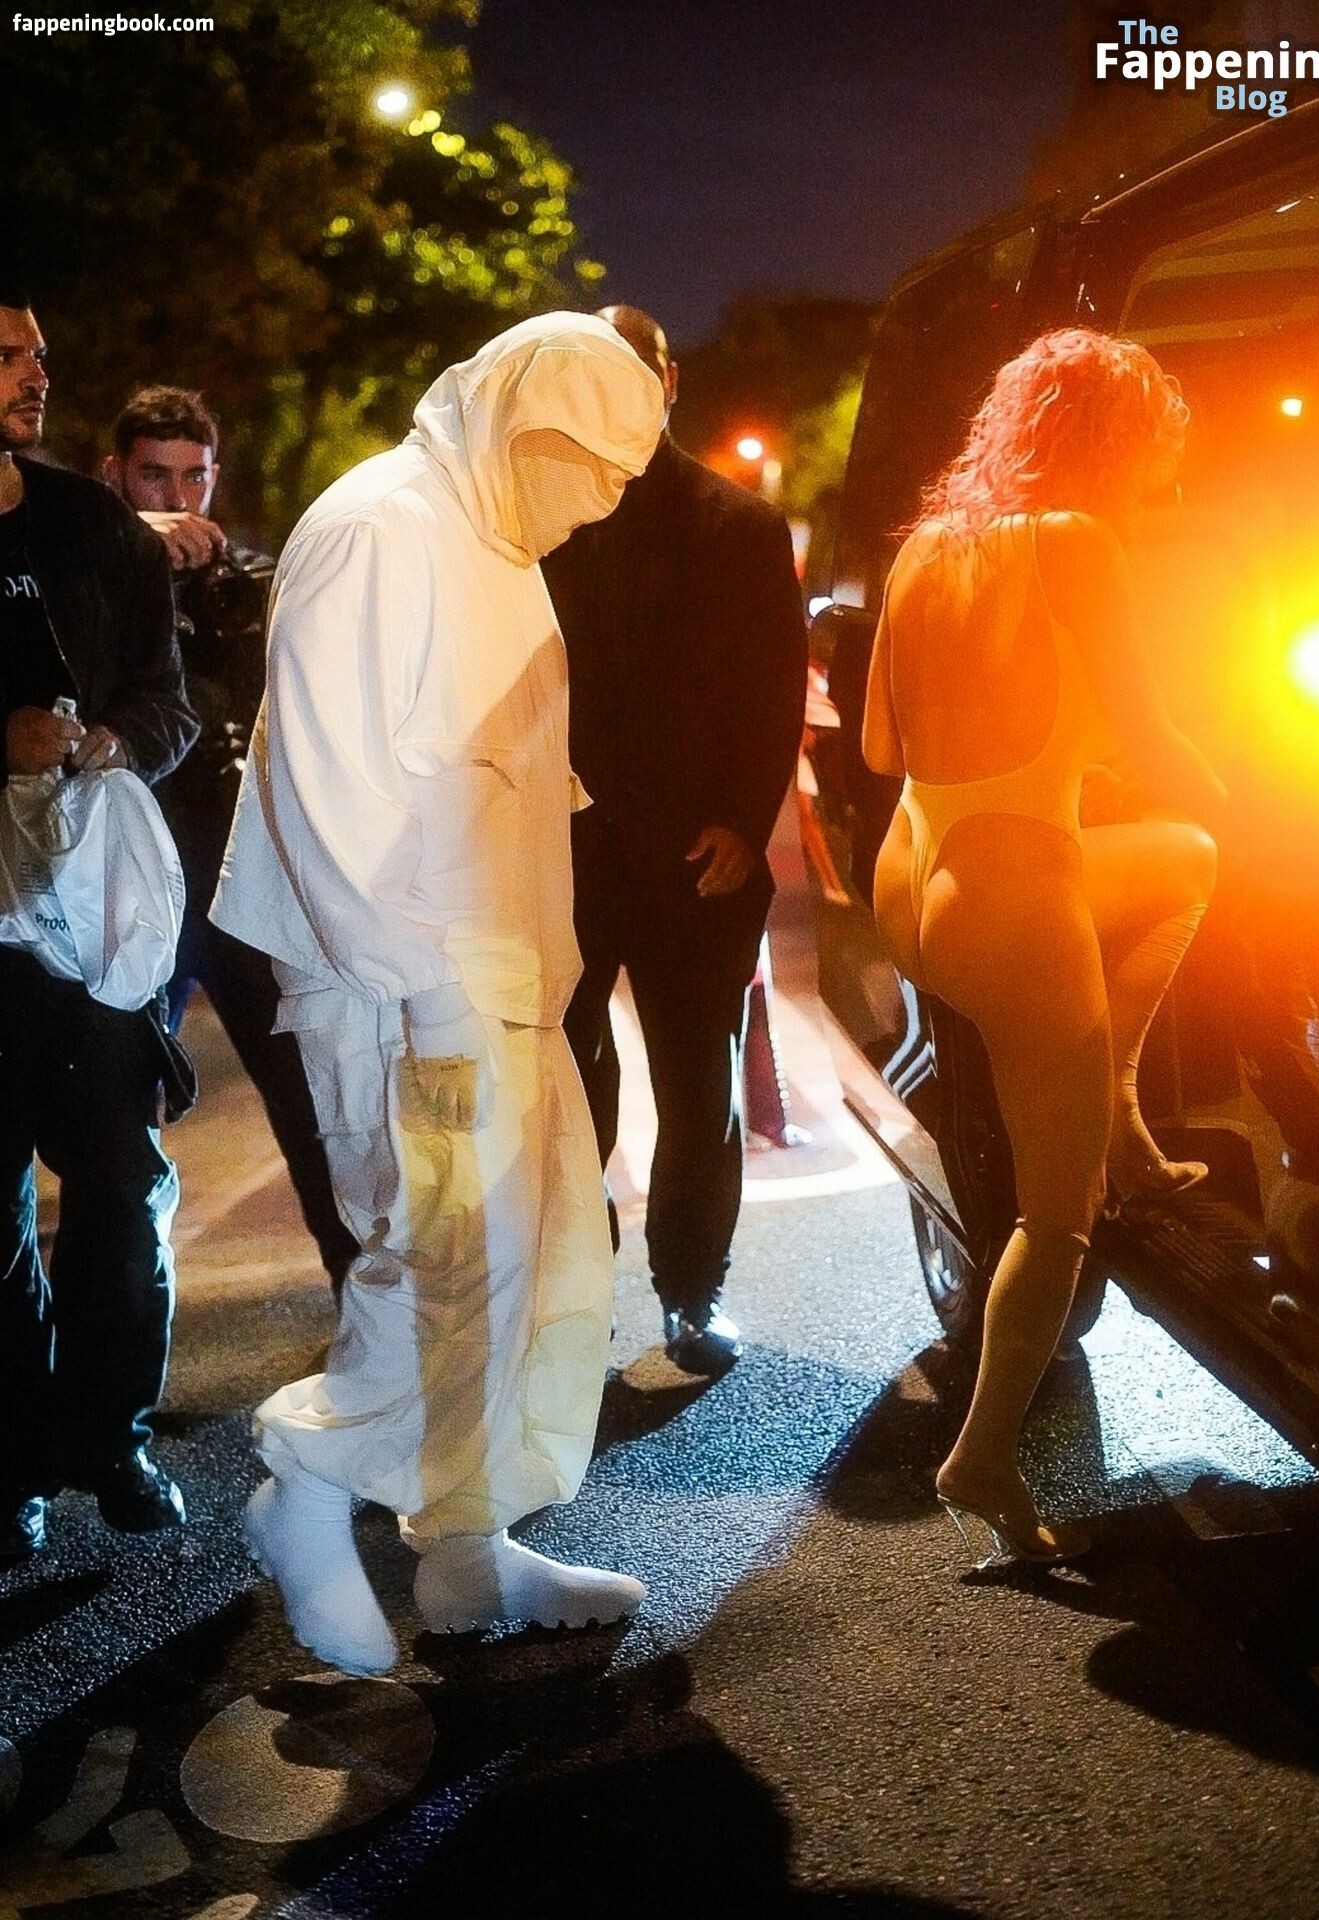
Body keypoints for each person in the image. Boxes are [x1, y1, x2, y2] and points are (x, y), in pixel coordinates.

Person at [211, 311, 666, 1675]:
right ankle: (309, 1476)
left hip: (500, 978)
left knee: (524, 1269)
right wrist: (421, 991)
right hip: (408, 987)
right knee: (444, 1255)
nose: (597, 506)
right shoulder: (377, 529)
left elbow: (519, 787)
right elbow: (326, 785)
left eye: (621, 481)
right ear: (520, 421)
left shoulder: (496, 549)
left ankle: (466, 1546)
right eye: (586, 469)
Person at [862, 328, 1227, 1565]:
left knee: (1175, 860)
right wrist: (1260, 798)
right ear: (1117, 444)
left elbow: (879, 745)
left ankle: (1115, 1103)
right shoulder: (1078, 543)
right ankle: (981, 1458)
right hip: (1013, 899)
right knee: (1056, 1217)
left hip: (915, 878)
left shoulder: (923, 546)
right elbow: (1153, 737)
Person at [542, 306, 807, 1377]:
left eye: (635, 367)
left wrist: (743, 821)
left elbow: (774, 692)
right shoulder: (540, 515)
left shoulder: (740, 524)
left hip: (699, 858)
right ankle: (574, 1286)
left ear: (670, 379)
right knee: (566, 1082)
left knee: (699, 1084)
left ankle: (693, 1291)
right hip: (562, 852)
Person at [0, 278, 198, 1562]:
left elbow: (168, 702)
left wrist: (115, 740)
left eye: (38, 353)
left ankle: (110, 1438)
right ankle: (12, 1464)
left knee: (122, 1192)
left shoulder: (92, 526)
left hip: (89, 942)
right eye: (7, 355)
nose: (36, 374)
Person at [102, 386, 357, 1292]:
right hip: (134, 890)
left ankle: (363, 1300)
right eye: (154, 477)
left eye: (194, 478)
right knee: (118, 1124)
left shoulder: (251, 580)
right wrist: (136, 547)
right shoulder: (93, 569)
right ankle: (120, 1334)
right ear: (115, 475)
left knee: (311, 1102)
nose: (178, 498)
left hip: (243, 881)